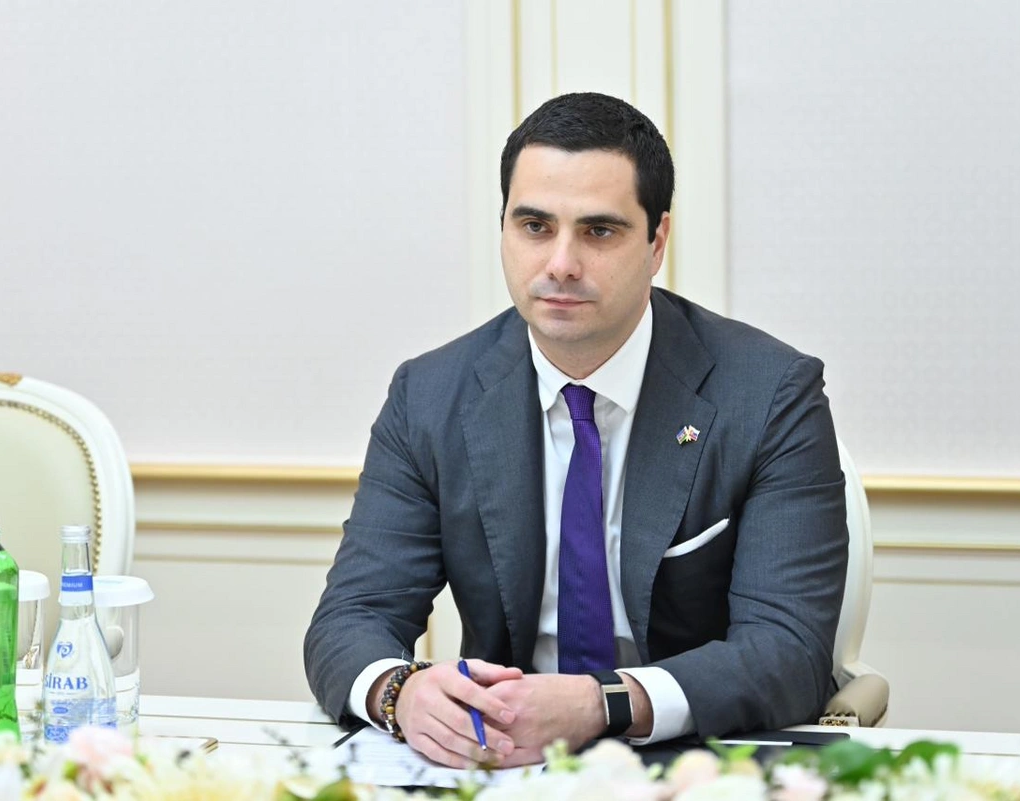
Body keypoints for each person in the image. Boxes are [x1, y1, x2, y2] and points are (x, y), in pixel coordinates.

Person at [305, 92, 848, 769]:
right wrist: (402, 693)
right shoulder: (430, 395)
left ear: (656, 242)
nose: (560, 263)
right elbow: (351, 618)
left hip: (696, 760)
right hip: (502, 760)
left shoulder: (769, 394)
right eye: (534, 226)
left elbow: (789, 650)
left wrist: (605, 702)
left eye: (599, 231)